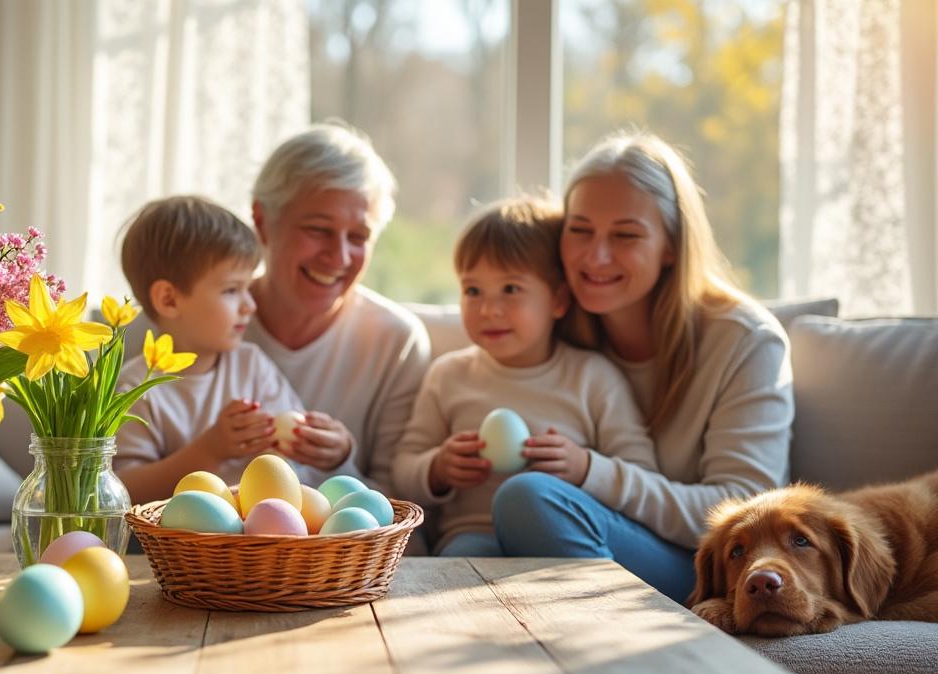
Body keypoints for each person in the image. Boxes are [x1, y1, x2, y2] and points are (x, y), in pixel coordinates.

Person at [491, 131, 794, 602]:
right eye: (580, 229)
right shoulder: (553, 327)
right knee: (510, 514)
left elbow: (746, 515)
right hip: (589, 540)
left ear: (671, 245)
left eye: (626, 235)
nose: (596, 256)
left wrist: (594, 471)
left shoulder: (745, 341)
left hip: (701, 566)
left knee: (530, 498)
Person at [392, 196, 657, 556]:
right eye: (473, 291)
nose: (488, 309)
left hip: (557, 534)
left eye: (511, 289)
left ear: (558, 301)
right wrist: (438, 469)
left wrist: (583, 467)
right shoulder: (449, 375)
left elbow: (641, 470)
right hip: (474, 536)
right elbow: (403, 470)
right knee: (457, 569)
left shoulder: (592, 377)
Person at [114, 195, 343, 504]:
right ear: (169, 299)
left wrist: (329, 449)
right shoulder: (136, 389)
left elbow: (293, 457)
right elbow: (126, 491)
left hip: (262, 537)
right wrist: (210, 451)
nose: (250, 305)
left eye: (247, 288)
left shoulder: (251, 365)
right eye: (232, 290)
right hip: (182, 547)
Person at [246, 122, 431, 495]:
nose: (339, 256)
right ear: (264, 223)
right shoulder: (187, 324)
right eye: (318, 229)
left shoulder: (396, 341)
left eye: (359, 236)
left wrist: (342, 461)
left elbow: (403, 510)